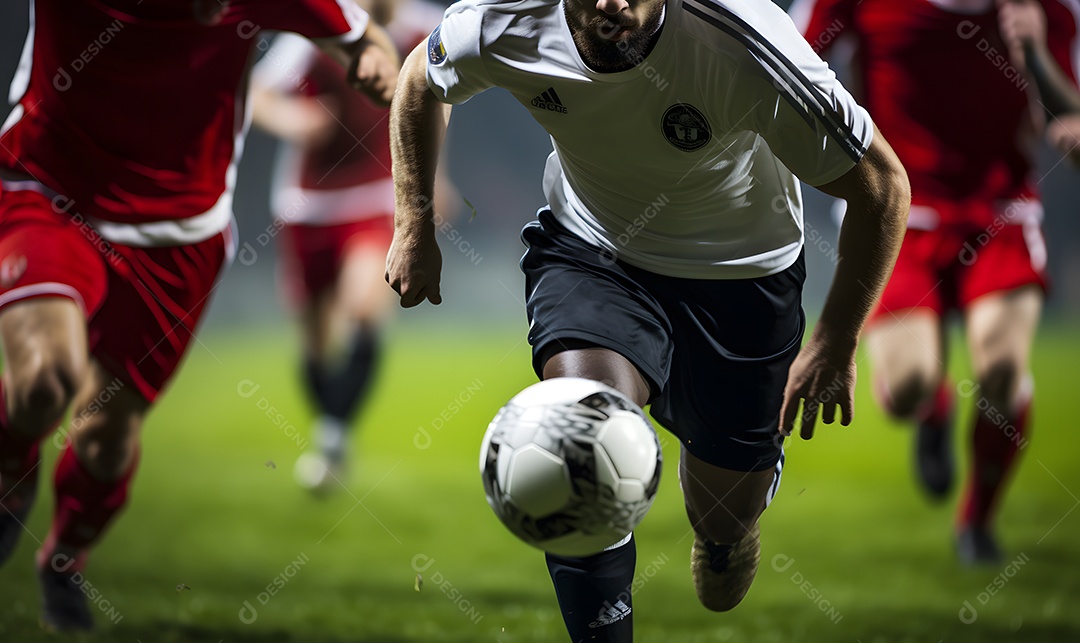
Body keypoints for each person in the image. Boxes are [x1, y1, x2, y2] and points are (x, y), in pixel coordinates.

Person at [385, 0, 910, 639]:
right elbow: (420, 77)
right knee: (576, 439)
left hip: (741, 279)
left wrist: (836, 337)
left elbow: (882, 187)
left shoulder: (745, 43)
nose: (613, 5)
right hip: (595, 252)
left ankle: (724, 537)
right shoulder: (504, 19)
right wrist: (413, 221)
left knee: (723, 515)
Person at [0, 0, 397, 631]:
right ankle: (12, 469)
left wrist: (374, 60)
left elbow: (364, 36)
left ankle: (64, 560)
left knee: (104, 436)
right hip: (51, 192)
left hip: (180, 236)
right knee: (44, 379)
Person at [793, 0, 1080, 564]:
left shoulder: (1042, 6)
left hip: (1000, 210)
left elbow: (1067, 112)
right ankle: (934, 409)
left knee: (1000, 368)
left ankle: (976, 522)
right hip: (897, 209)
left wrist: (1039, 58)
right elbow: (789, 57)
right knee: (906, 389)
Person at [249, 0, 452, 493]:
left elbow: (439, 97)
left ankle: (333, 436)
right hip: (307, 203)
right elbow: (257, 93)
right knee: (315, 342)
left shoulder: (428, 30)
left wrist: (433, 176)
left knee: (364, 306)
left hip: (377, 196)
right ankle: (332, 432)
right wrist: (294, 119)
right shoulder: (319, 34)